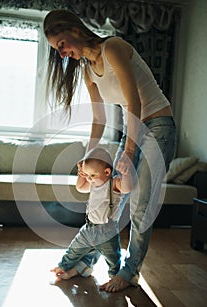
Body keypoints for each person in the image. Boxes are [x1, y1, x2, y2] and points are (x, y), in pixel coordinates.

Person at [44, 9, 177, 292]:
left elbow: (134, 101)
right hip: (132, 130)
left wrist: (128, 151)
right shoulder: (87, 70)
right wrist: (87, 157)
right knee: (110, 200)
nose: (63, 53)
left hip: (158, 127)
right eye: (58, 50)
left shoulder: (113, 47)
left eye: (62, 45)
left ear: (74, 30)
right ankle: (84, 262)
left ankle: (129, 272)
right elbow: (99, 118)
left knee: (140, 205)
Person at [51, 147, 133, 280]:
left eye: (92, 175)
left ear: (106, 172)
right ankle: (63, 267)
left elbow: (128, 187)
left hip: (106, 231)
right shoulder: (94, 183)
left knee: (113, 258)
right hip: (88, 228)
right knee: (74, 249)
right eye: (87, 175)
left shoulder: (114, 183)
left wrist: (126, 174)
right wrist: (81, 174)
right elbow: (80, 187)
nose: (89, 179)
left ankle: (114, 277)